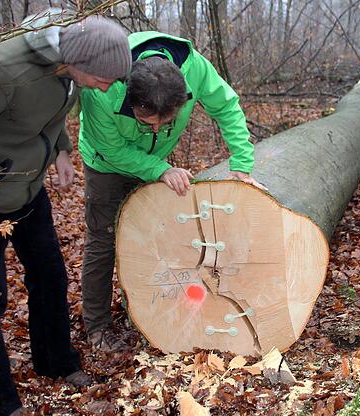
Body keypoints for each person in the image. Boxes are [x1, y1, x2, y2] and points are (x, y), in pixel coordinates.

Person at [0, 8, 131, 416]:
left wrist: (61, 152)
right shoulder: (4, 71)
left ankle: (56, 362)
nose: (109, 87)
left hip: (29, 190)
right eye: (106, 79)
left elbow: (49, 114)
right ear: (80, 63)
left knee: (50, 274)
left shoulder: (66, 71)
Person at [78, 31, 264, 352]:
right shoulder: (103, 87)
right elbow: (111, 148)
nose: (154, 129)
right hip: (104, 164)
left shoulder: (194, 69)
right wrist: (160, 169)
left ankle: (151, 308)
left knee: (158, 235)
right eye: (145, 120)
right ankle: (96, 326)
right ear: (130, 96)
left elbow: (227, 106)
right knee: (104, 240)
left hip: (155, 162)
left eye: (165, 122)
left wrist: (242, 163)